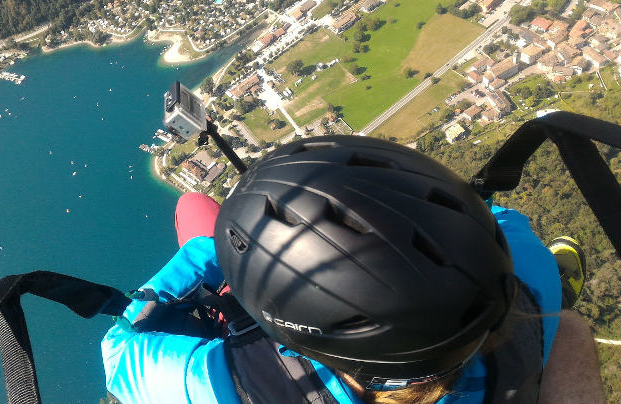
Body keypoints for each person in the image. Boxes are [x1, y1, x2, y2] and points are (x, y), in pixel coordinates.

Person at [102, 136, 604, 404]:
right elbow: (497, 219)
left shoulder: (240, 384)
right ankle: (566, 296)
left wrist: (213, 251)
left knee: (193, 206)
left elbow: (120, 352)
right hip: (505, 351)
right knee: (571, 330)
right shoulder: (529, 278)